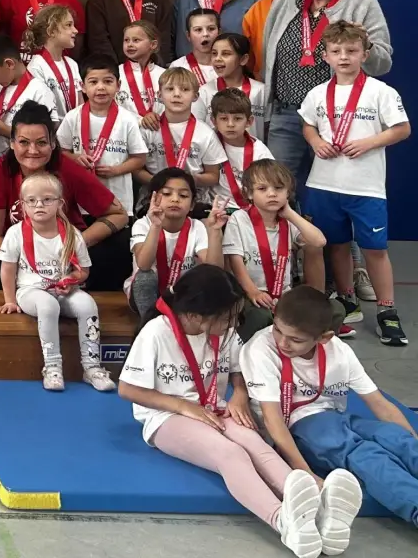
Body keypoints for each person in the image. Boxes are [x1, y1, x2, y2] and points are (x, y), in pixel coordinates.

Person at [118, 264, 325, 558]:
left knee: (255, 443)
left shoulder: (223, 333)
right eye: (226, 317)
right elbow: (128, 389)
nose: (232, 322)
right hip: (166, 418)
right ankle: (283, 521)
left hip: (212, 408)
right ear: (195, 315)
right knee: (230, 454)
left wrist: (239, 394)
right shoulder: (156, 333)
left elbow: (239, 368)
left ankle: (312, 503)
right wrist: (183, 406)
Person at [242, 287, 406, 537]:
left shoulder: (338, 351)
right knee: (368, 456)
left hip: (337, 419)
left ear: (324, 338)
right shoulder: (260, 349)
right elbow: (273, 419)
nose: (282, 343)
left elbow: (380, 404)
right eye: (278, 330)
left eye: (295, 339)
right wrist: (304, 472)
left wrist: (412, 439)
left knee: (396, 439)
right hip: (299, 428)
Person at [298, 21, 410, 345]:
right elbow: (307, 124)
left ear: (365, 53)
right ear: (325, 56)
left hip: (365, 188)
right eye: (336, 51)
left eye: (351, 51)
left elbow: (402, 129)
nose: (344, 57)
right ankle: (348, 299)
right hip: (324, 183)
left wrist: (369, 142)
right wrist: (316, 141)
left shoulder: (381, 92)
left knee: (375, 250)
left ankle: (387, 312)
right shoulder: (318, 93)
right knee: (335, 244)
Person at [261, 0, 393, 205]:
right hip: (286, 114)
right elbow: (268, 49)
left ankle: (342, 249)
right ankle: (283, 248)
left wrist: (362, 41)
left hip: (335, 117)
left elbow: (383, 64)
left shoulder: (362, 2)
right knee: (275, 190)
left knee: (338, 196)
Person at [0, 102, 129, 291]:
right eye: (23, 142)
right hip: (19, 251)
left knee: (119, 246)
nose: (33, 150)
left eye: (41, 142)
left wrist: (77, 243)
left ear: (53, 143)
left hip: (65, 251)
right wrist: (41, 253)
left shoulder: (68, 169)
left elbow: (118, 214)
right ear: (12, 143)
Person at [0, 172, 116, 392]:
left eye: (47, 199)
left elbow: (84, 271)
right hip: (31, 292)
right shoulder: (15, 233)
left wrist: (72, 279)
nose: (39, 205)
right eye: (31, 201)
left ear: (60, 203)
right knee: (47, 305)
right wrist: (10, 300)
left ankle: (92, 367)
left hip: (65, 291)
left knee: (88, 305)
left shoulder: (72, 234)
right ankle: (52, 367)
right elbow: (7, 269)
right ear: (23, 205)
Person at [226, 160, 330, 342]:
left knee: (334, 311)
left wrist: (290, 214)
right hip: (249, 294)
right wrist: (253, 292)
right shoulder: (239, 218)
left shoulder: (288, 221)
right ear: (249, 193)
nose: (272, 194)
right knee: (260, 317)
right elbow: (236, 261)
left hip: (284, 296)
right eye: (262, 189)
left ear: (288, 193)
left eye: (279, 188)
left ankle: (299, 348)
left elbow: (319, 241)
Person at [126, 167, 228, 318]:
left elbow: (214, 270)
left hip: (182, 294)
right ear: (153, 199)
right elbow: (144, 264)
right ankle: (147, 325)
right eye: (167, 194)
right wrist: (155, 226)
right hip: (147, 293)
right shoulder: (143, 224)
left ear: (192, 204)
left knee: (207, 280)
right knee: (145, 277)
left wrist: (214, 231)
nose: (175, 199)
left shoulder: (197, 226)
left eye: (183, 195)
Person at [57, 55, 147, 213]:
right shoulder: (73, 117)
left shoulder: (127, 119)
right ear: (82, 86)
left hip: (119, 200)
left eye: (108, 81)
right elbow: (59, 151)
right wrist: (75, 158)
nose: (101, 87)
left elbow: (139, 158)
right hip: (80, 203)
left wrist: (116, 170)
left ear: (118, 85)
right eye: (93, 82)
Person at [136, 67, 225, 208]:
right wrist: (160, 182)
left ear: (195, 96)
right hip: (153, 198)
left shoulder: (206, 133)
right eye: (170, 89)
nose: (177, 94)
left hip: (195, 200)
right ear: (159, 95)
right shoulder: (147, 130)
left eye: (184, 89)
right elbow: (136, 169)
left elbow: (213, 176)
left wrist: (187, 181)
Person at [0, 34, 60, 162]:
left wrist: (5, 130)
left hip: (23, 163)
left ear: (9, 64)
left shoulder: (39, 90)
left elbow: (48, 132)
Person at [208, 88, 275, 211]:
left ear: (249, 121)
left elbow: (270, 185)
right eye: (224, 118)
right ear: (214, 121)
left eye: (237, 119)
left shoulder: (260, 151)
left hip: (251, 211)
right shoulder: (208, 143)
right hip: (215, 209)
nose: (230, 124)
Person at [195, 33, 269, 142]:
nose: (217, 58)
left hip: (253, 156)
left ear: (243, 59)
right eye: (214, 53)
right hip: (216, 156)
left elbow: (268, 131)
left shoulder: (261, 91)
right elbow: (198, 129)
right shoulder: (204, 91)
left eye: (226, 54)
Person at [25, 4, 83, 114]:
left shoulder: (72, 64)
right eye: (69, 25)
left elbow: (80, 104)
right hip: (52, 128)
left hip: (74, 127)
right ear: (51, 31)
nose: (75, 30)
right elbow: (40, 106)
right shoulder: (36, 66)